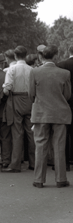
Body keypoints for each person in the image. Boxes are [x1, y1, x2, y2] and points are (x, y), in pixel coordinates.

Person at [29, 45, 71, 188]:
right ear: (56, 56)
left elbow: (31, 93)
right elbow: (68, 95)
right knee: (59, 145)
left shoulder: (34, 72)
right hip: (60, 112)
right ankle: (61, 179)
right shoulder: (65, 73)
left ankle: (38, 179)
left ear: (41, 56)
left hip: (41, 112)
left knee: (40, 145)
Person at [2, 46, 35, 173]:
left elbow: (7, 89)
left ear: (15, 56)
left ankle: (15, 164)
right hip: (30, 100)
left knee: (17, 132)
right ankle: (33, 162)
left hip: (16, 100)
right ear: (25, 55)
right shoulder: (31, 69)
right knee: (31, 132)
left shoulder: (12, 69)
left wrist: (4, 89)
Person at [57, 45, 73, 171]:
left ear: (69, 51)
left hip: (66, 102)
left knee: (65, 133)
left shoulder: (61, 65)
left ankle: (65, 162)